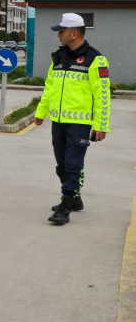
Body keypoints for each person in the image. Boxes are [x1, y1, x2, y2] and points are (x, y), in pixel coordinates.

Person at [35, 13, 110, 225]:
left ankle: (65, 206)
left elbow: (102, 95)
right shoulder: (59, 57)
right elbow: (50, 87)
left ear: (74, 34)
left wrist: (101, 125)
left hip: (80, 123)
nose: (58, 35)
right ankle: (75, 199)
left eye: (62, 31)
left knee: (72, 164)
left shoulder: (96, 59)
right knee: (61, 165)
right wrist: (41, 112)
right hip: (58, 121)